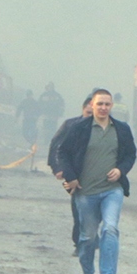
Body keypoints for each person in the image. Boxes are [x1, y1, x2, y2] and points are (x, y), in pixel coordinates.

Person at [57, 89, 137, 274]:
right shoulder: (79, 128)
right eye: (99, 104)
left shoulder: (121, 129)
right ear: (91, 105)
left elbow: (130, 154)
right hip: (85, 192)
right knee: (88, 237)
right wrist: (71, 177)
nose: (103, 108)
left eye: (107, 104)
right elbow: (62, 152)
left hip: (112, 190)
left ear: (112, 106)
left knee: (110, 229)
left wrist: (121, 170)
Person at [49, 92, 96, 254]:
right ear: (83, 109)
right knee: (79, 208)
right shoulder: (71, 125)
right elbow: (56, 146)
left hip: (97, 176)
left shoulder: (105, 129)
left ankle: (90, 238)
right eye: (88, 112)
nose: (90, 117)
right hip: (74, 174)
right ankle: (79, 243)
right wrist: (57, 168)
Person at [38, 82, 65, 146]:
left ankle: (52, 141)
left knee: (53, 128)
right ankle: (46, 141)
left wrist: (60, 113)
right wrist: (40, 113)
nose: (50, 88)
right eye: (49, 87)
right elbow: (39, 104)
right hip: (46, 115)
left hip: (54, 115)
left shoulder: (57, 96)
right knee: (46, 128)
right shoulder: (43, 95)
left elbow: (62, 105)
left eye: (51, 87)